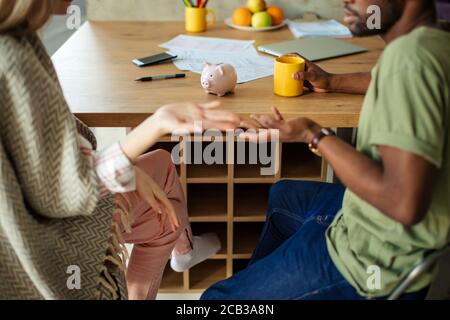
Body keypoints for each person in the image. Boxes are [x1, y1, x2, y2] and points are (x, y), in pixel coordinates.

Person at [202, 0, 450, 300]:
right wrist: (331, 81)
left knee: (215, 301)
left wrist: (314, 134)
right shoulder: (432, 41)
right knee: (285, 197)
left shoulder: (409, 59)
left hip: (375, 259)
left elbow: (403, 203)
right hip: (391, 228)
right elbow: (389, 76)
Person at [0, 0, 240, 300]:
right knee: (168, 216)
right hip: (45, 233)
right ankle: (183, 250)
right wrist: (157, 123)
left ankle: (185, 251)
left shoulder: (17, 42)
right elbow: (63, 191)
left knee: (161, 163)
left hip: (30, 210)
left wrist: (126, 166)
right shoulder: (12, 58)